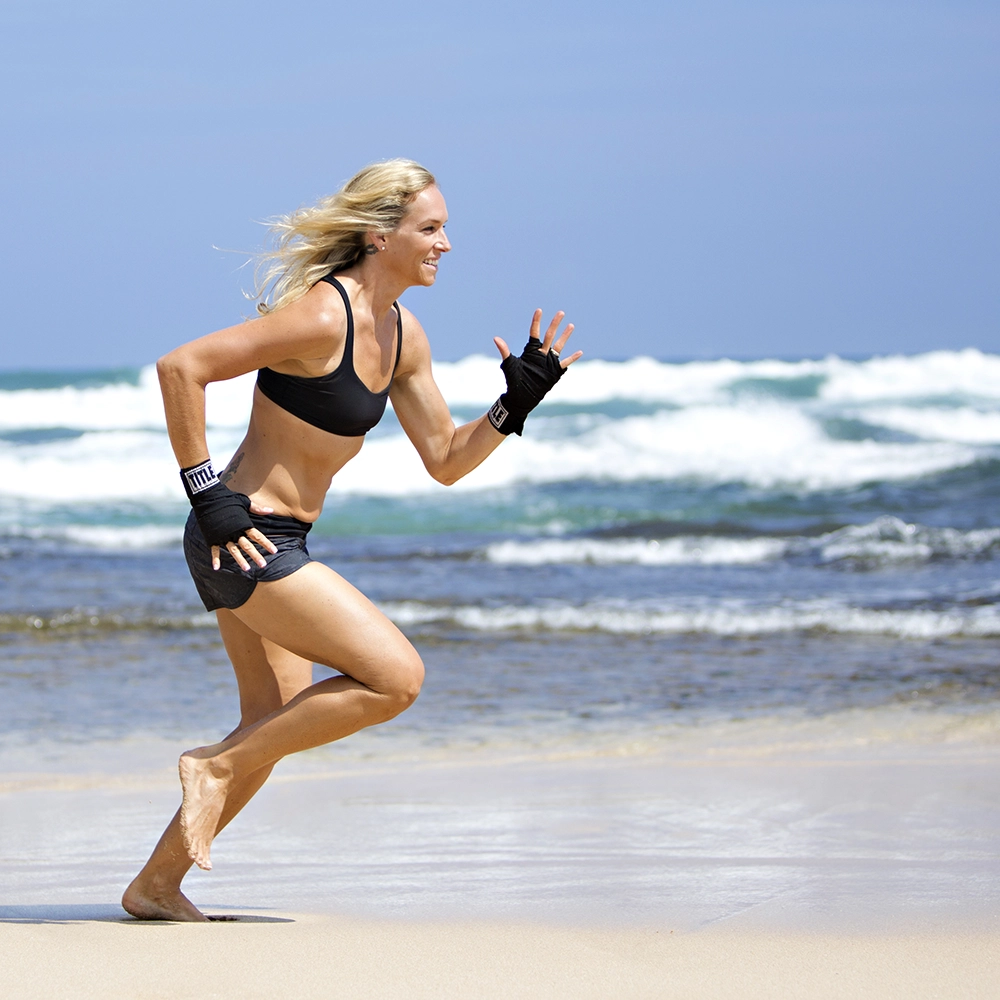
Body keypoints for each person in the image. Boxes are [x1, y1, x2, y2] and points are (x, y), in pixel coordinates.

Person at [121, 159, 581, 921]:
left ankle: (157, 884)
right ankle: (212, 768)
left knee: (274, 719)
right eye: (430, 229)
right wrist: (208, 496)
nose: (446, 244)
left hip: (271, 537)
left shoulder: (402, 335)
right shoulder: (323, 316)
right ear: (380, 235)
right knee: (395, 678)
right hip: (241, 534)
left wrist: (512, 405)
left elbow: (445, 461)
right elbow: (183, 367)